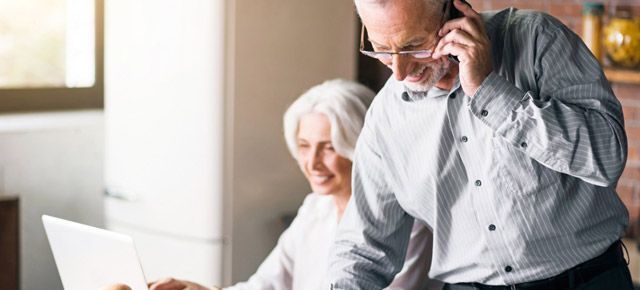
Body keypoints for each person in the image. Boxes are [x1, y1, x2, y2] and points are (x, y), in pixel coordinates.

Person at [327, 0, 631, 289]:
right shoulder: (386, 117)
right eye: (381, 50)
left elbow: (606, 158)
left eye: (414, 47)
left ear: (454, 15)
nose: (399, 71)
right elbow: (363, 249)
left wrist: (488, 90)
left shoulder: (537, 39)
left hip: (588, 281)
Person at [148, 79, 443, 290]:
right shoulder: (316, 208)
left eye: (328, 147)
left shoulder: (409, 221)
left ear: (361, 148)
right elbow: (265, 284)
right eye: (304, 146)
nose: (312, 163)